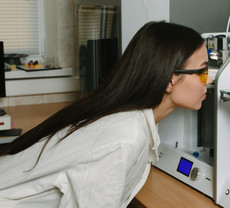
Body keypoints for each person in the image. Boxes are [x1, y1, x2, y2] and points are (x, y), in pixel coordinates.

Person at [0, 21, 212, 208]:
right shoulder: (124, 137)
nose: (209, 80)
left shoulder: (128, 119)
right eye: (202, 72)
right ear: (170, 80)